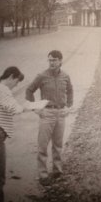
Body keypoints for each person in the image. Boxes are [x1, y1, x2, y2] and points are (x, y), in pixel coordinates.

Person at [26, 50, 73, 186]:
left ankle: (57, 170)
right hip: (47, 114)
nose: (51, 62)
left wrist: (69, 106)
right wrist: (35, 108)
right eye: (50, 60)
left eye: (54, 60)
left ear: (60, 61)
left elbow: (70, 90)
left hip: (60, 114)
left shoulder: (65, 76)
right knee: (43, 145)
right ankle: (43, 174)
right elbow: (29, 90)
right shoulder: (42, 76)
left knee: (58, 145)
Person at [0, 66, 27, 202]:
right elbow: (13, 108)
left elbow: (10, 105)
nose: (16, 85)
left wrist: (22, 106)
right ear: (11, 77)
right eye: (16, 82)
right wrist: (27, 107)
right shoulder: (3, 89)